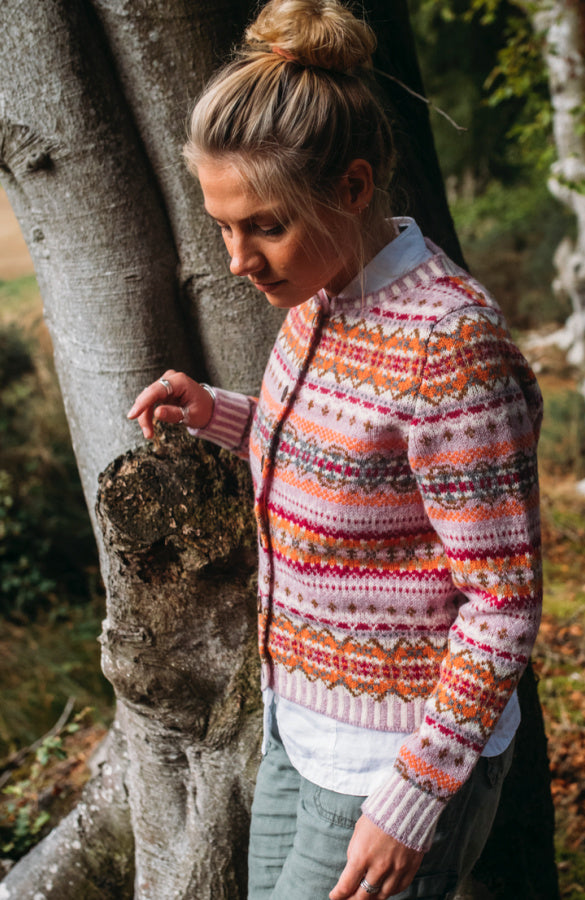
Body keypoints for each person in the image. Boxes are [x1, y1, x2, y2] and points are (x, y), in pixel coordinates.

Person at [128, 2, 543, 898]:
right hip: (298, 721)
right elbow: (351, 459)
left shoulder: (451, 348)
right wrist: (222, 414)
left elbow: (502, 603)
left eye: (263, 226)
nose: (238, 259)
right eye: (222, 227)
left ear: (354, 188)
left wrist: (416, 791)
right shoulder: (321, 298)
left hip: (394, 758)